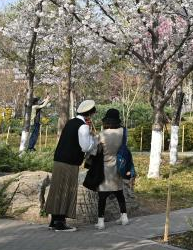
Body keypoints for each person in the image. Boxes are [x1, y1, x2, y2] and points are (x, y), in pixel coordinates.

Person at [44, 99, 99, 232]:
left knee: (57, 189)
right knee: (66, 190)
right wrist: (95, 141)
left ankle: (54, 221)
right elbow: (85, 147)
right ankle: (60, 223)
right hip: (70, 163)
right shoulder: (83, 126)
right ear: (89, 114)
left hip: (59, 161)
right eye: (92, 114)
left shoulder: (71, 122)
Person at [95, 107, 129, 229]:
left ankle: (101, 222)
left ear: (106, 121)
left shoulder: (102, 134)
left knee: (102, 196)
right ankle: (124, 217)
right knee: (119, 193)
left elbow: (95, 151)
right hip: (119, 166)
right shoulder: (123, 132)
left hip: (105, 168)